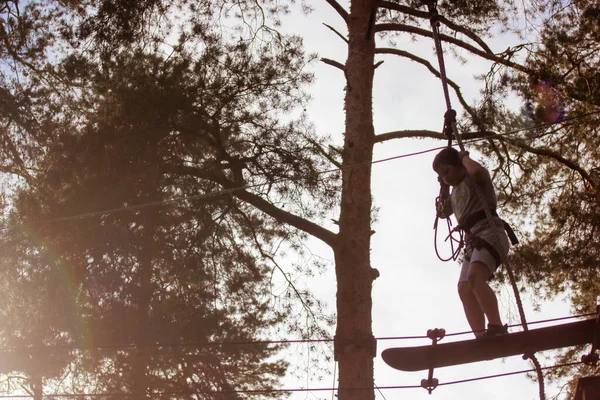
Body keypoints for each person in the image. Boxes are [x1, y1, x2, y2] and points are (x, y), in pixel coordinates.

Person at [432, 147, 510, 338]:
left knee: (475, 277)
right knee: (464, 288)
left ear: (459, 164)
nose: (445, 177)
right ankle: (481, 336)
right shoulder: (454, 192)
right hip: (473, 241)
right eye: (441, 175)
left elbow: (478, 172)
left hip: (490, 233)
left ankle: (496, 327)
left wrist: (463, 156)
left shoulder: (473, 178)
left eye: (447, 171)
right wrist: (443, 188)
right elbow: (443, 212)